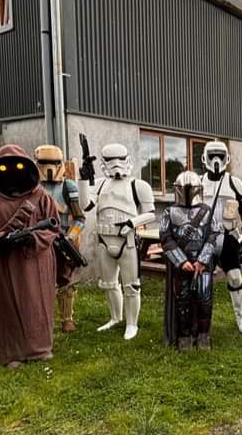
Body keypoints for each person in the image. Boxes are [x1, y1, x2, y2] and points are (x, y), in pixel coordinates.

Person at [0, 144, 60, 368]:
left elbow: (53, 227)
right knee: (9, 305)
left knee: (38, 302)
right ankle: (12, 353)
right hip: (6, 262)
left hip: (36, 260)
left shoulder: (41, 196)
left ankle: (40, 348)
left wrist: (33, 238)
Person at [78, 142, 155, 339]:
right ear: (103, 163)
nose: (116, 164)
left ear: (128, 160)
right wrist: (84, 180)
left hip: (127, 240)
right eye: (111, 160)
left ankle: (132, 324)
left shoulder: (138, 185)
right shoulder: (101, 184)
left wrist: (133, 222)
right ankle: (115, 318)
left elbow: (150, 215)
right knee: (109, 283)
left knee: (131, 285)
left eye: (120, 159)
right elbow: (85, 205)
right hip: (104, 239)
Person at [160, 171, 221, 350]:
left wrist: (202, 260)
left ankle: (203, 335)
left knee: (204, 300)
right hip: (181, 265)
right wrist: (180, 261)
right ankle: (184, 336)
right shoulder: (169, 212)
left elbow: (212, 237)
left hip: (202, 265)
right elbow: (166, 238)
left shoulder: (207, 212)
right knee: (182, 301)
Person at [200, 141, 242, 333]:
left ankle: (241, 317)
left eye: (220, 156)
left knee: (235, 276)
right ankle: (202, 320)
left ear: (227, 158)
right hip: (205, 238)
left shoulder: (233, 182)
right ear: (204, 157)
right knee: (202, 279)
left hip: (228, 235)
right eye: (212, 155)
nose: (216, 160)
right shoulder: (199, 182)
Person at [34, 145, 86, 333]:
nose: (49, 167)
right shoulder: (32, 187)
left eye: (54, 163)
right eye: (44, 163)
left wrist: (71, 236)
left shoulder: (68, 186)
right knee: (37, 280)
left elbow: (80, 218)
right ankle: (41, 319)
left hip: (61, 238)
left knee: (65, 278)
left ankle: (66, 318)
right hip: (38, 239)